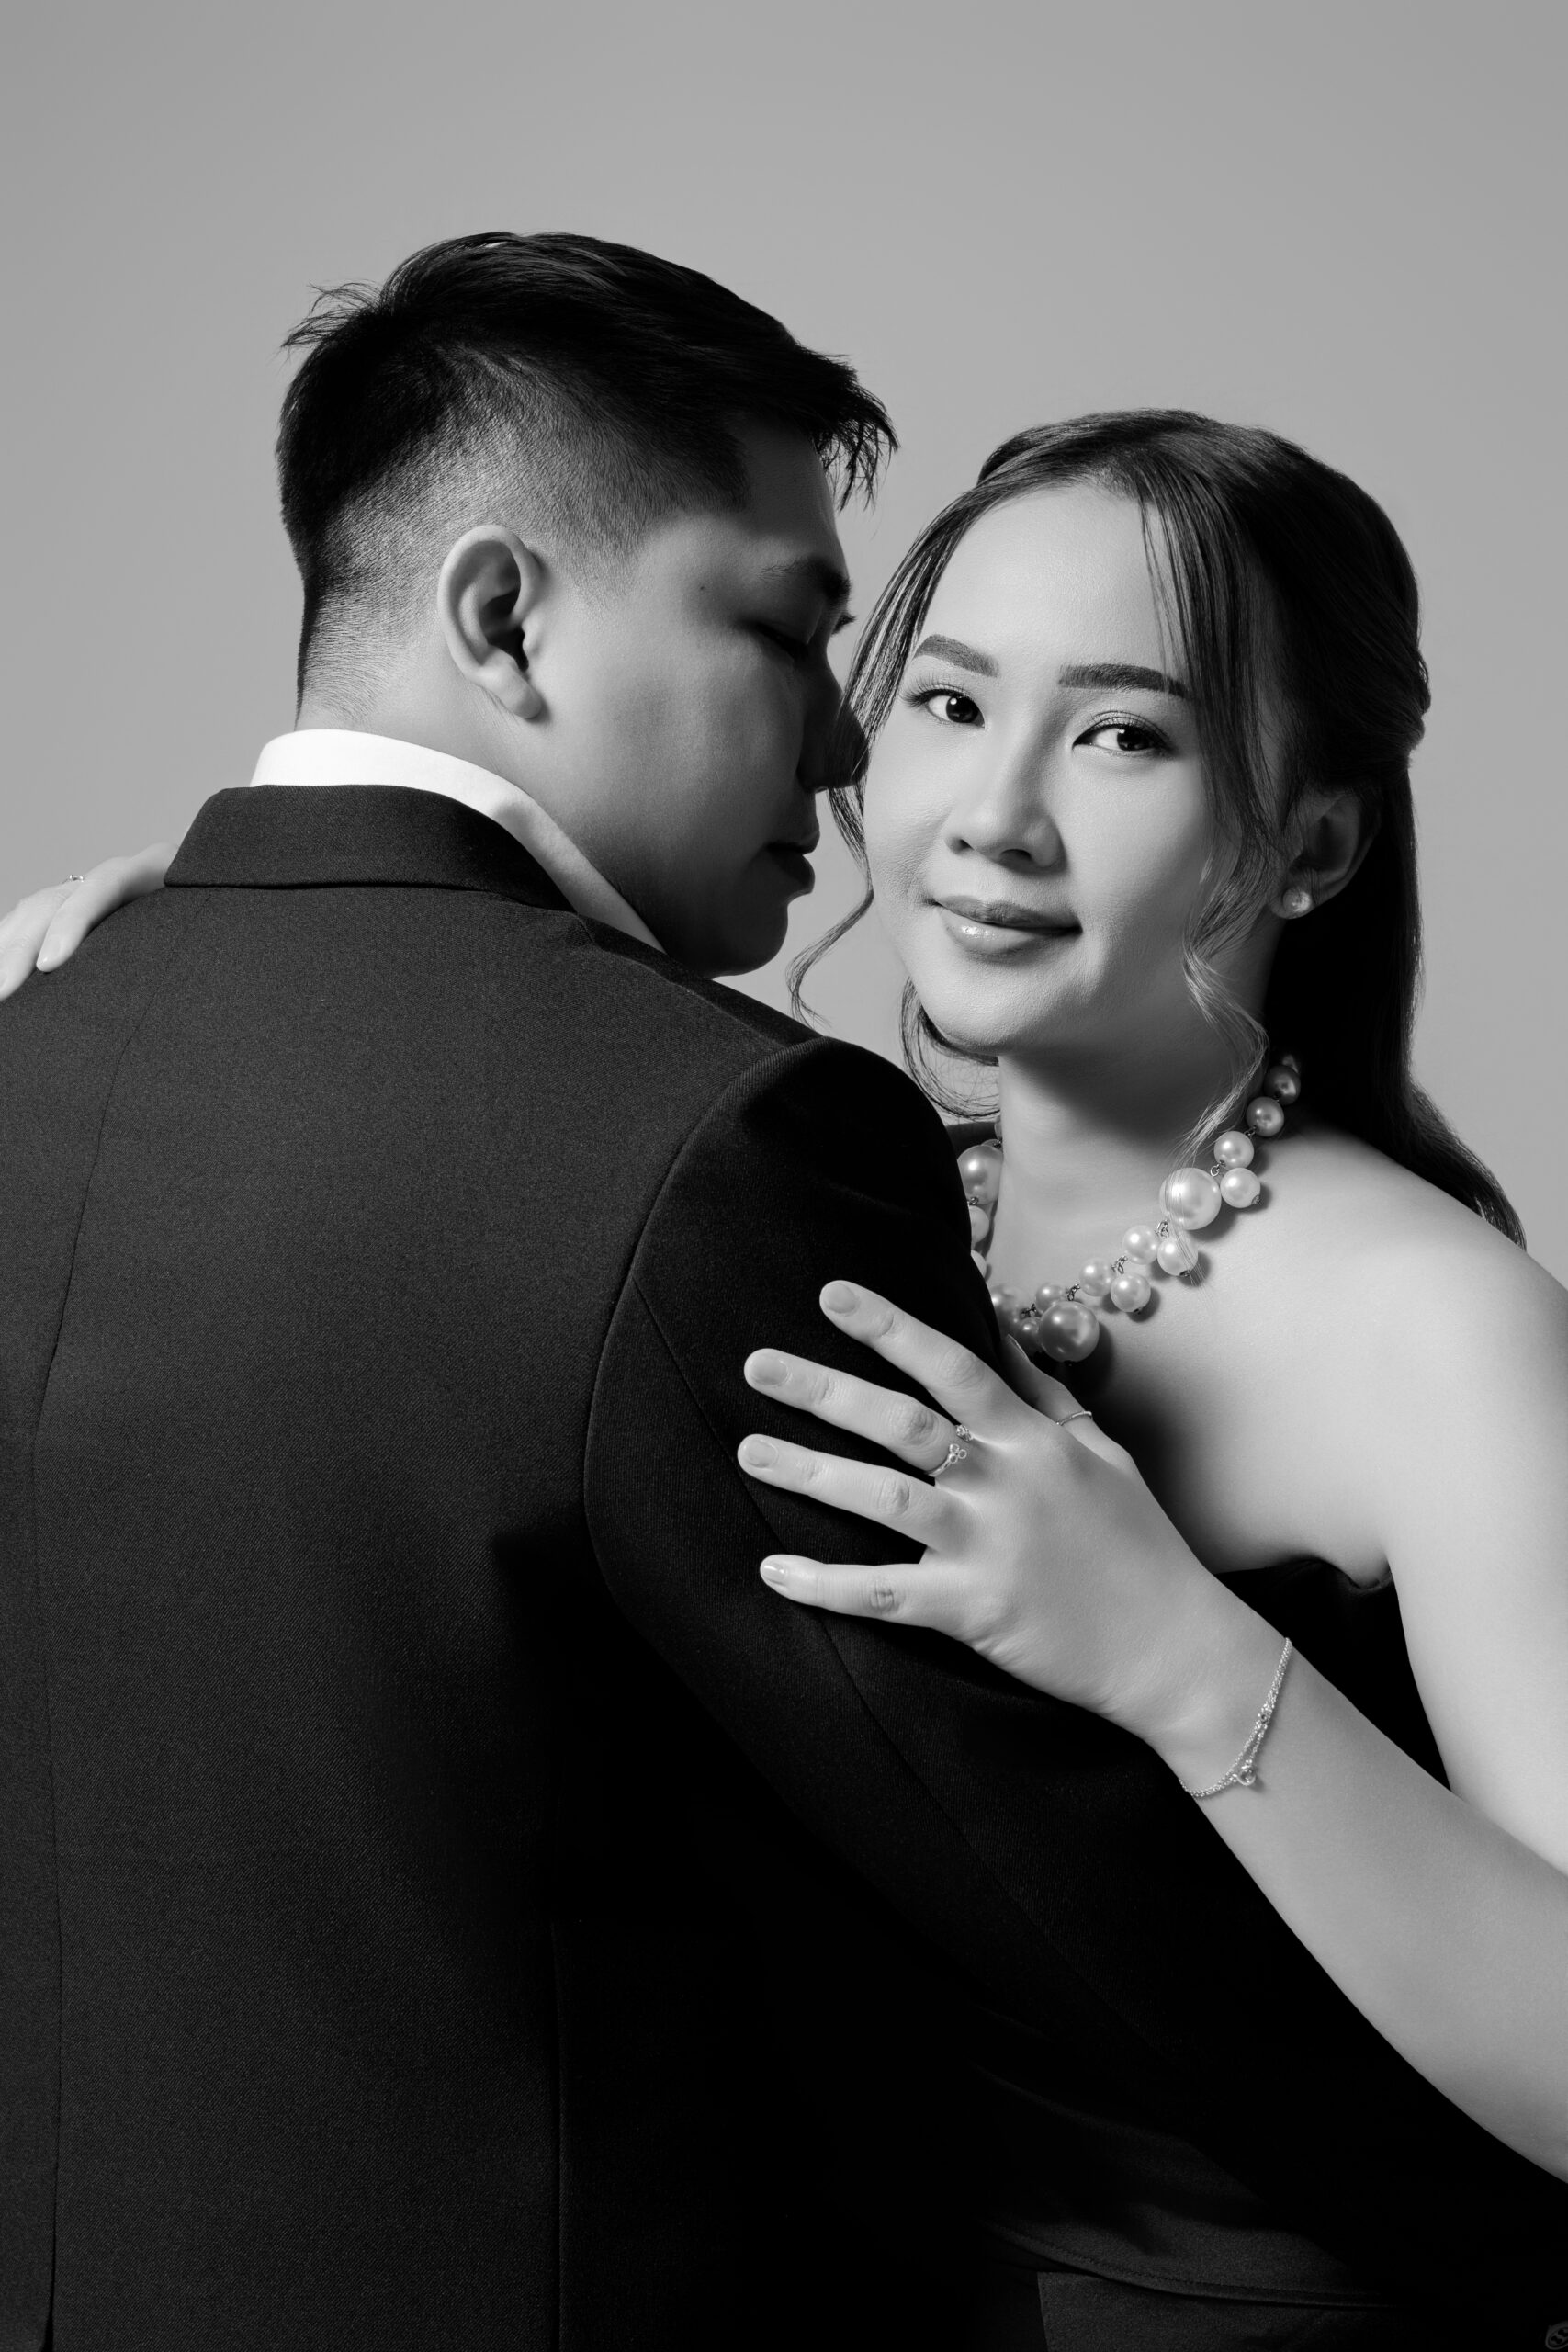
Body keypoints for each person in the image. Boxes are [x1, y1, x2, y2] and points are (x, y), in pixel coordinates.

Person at [4, 267, 1564, 2350]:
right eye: (945, 700)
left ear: (1314, 841)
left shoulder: (1434, 1325)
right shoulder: (795, 1185)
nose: (983, 812)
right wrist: (259, 950)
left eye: (1120, 733)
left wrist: (1186, 1659)